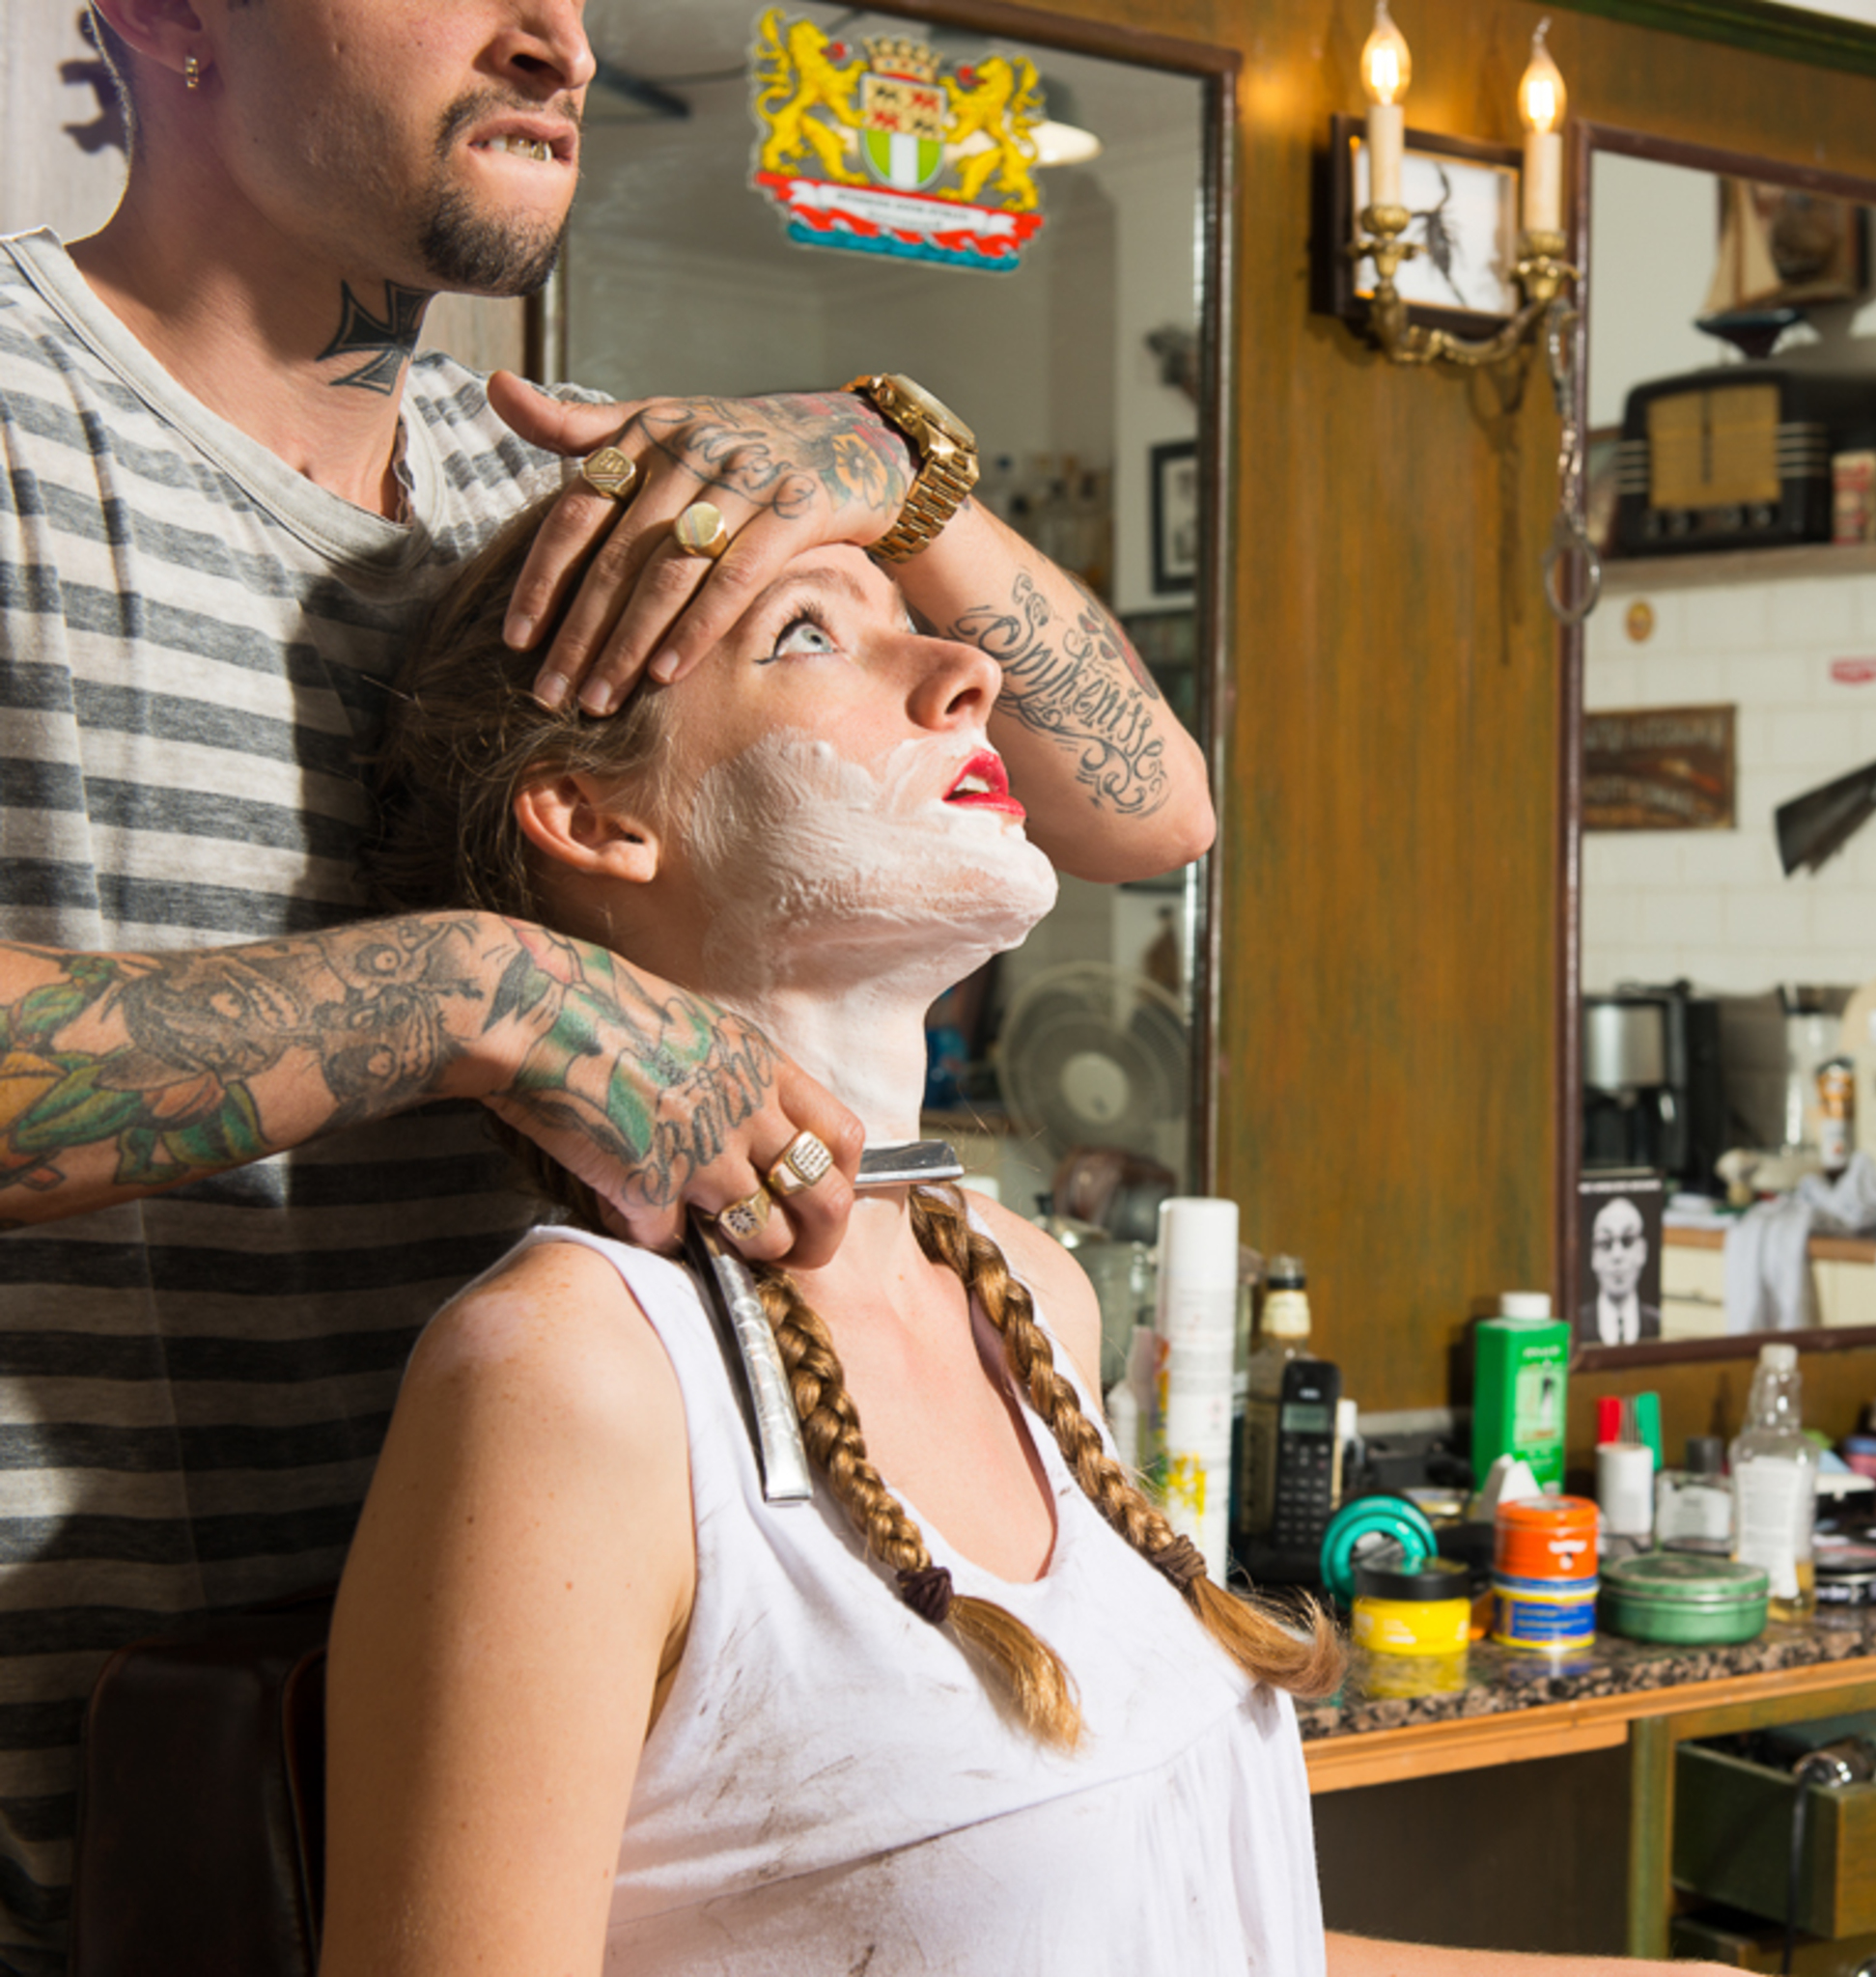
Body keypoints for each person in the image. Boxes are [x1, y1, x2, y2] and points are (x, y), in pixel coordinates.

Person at [0, 1, 1205, 1961]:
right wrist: (482, 996)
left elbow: (1147, 808)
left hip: (606, 1785)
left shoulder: (597, 499)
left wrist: (894, 468)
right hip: (74, 1833)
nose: (553, 37)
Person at [325, 506, 1717, 1977]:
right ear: (598, 820)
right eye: (809, 632)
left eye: (908, 619)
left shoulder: (1030, 1289)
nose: (964, 670)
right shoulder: (575, 1380)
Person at [1588, 1193, 1652, 1345]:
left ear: (1642, 1251)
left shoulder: (1656, 1322)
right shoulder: (1573, 1326)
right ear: (1593, 1256)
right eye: (1605, 1243)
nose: (1617, 1255)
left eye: (1627, 1241)